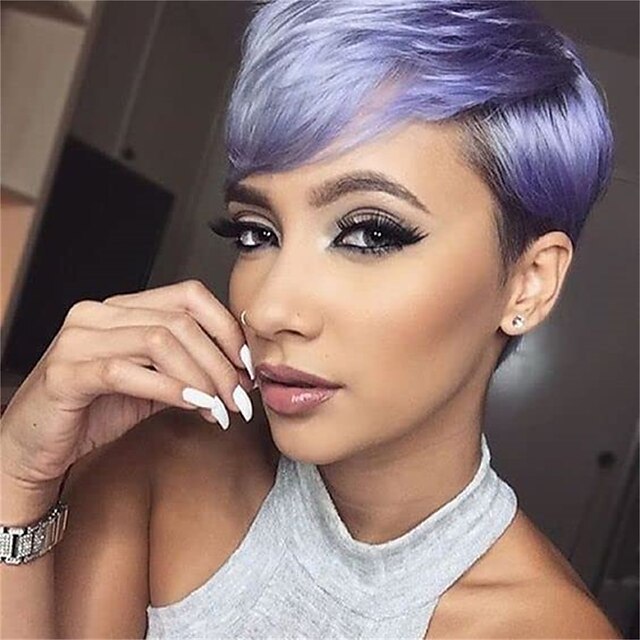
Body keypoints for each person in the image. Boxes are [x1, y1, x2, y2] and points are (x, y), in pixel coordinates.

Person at [0, 0, 622, 638]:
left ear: (529, 283)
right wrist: (16, 475)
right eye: (256, 232)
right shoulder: (163, 462)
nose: (269, 309)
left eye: (370, 233)